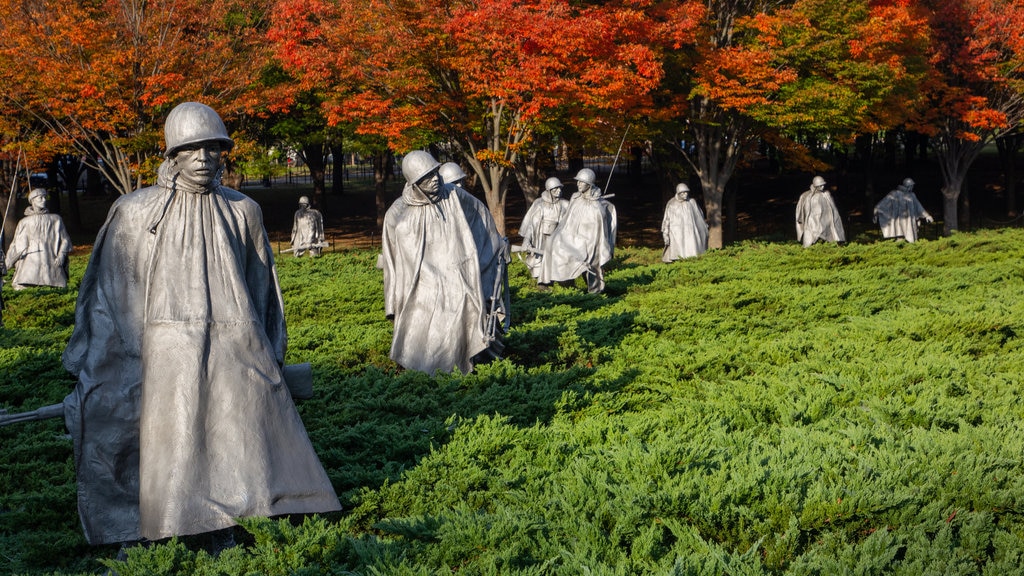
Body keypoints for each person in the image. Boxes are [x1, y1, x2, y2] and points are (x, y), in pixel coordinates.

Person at [61, 102, 341, 548]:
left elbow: (263, 287)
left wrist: (271, 352)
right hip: (163, 347)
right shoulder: (135, 212)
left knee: (237, 434)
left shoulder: (242, 210)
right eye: (193, 149)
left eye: (213, 148)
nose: (205, 158)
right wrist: (113, 356)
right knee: (177, 437)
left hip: (236, 342)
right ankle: (172, 525)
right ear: (172, 154)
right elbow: (109, 291)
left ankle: (239, 519)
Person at [381, 150, 509, 374]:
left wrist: (498, 244)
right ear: (414, 184)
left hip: (457, 272)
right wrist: (393, 301)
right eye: (426, 177)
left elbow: (481, 216)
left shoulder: (453, 195)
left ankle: (462, 362)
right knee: (424, 311)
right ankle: (423, 366)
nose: (435, 180)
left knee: (463, 300)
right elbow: (391, 261)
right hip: (420, 282)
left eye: (435, 173)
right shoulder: (398, 212)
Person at [540, 168, 617, 293]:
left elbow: (598, 235)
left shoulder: (597, 207)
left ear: (590, 184)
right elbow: (566, 222)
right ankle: (557, 282)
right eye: (578, 181)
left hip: (589, 243)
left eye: (581, 182)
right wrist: (557, 236)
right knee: (552, 244)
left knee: (591, 260)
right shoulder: (575, 198)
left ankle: (595, 289)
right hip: (571, 238)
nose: (578, 184)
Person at [4, 188, 72, 289]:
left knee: (58, 287)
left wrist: (61, 255)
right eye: (40, 198)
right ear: (33, 201)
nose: (44, 200)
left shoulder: (56, 219)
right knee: (21, 286)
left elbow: (65, 240)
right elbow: (16, 246)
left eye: (45, 197)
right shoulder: (24, 222)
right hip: (30, 265)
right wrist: (5, 267)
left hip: (51, 263)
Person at [518, 176, 569, 284]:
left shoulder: (564, 204)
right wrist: (526, 241)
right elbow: (532, 225)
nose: (559, 191)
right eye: (556, 189)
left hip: (558, 239)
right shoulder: (540, 204)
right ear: (549, 191)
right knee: (541, 262)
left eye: (560, 188)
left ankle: (563, 282)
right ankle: (544, 283)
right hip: (542, 238)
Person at [873, 177, 933, 242]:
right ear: (908, 186)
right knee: (900, 238)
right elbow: (883, 203)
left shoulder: (912, 195)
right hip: (899, 221)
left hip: (910, 221)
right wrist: (876, 212)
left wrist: (927, 216)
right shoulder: (895, 193)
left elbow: (919, 206)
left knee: (911, 239)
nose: (912, 187)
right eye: (911, 186)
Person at [661, 183, 708, 262]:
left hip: (692, 233)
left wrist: (704, 227)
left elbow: (699, 216)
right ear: (678, 193)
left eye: (686, 192)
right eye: (682, 193)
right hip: (677, 233)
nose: (685, 194)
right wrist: (665, 234)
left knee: (693, 249)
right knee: (680, 252)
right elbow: (666, 220)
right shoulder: (672, 204)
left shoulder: (692, 202)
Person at [795, 175, 845, 247]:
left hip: (826, 221)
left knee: (829, 235)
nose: (822, 187)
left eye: (823, 185)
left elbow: (834, 210)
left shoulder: (826, 194)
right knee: (811, 235)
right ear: (815, 186)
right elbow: (801, 209)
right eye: (820, 186)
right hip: (812, 221)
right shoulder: (806, 195)